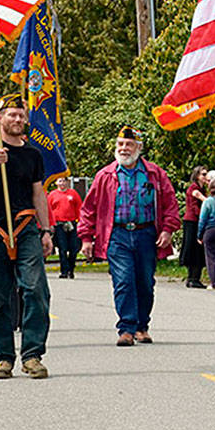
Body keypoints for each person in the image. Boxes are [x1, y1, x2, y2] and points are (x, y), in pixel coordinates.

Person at [0, 95, 53, 379]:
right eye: (12, 115)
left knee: (36, 290)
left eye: (21, 115)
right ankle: (3, 357)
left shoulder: (33, 154)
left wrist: (46, 230)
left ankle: (32, 355)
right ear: (0, 117)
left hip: (26, 227)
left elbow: (38, 194)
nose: (17, 120)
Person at [78, 125, 180, 346]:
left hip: (146, 235)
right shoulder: (105, 175)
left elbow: (170, 203)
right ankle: (126, 328)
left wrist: (168, 229)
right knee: (123, 281)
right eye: (120, 144)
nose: (124, 148)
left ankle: (142, 327)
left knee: (145, 282)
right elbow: (89, 208)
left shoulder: (155, 174)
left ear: (139, 148)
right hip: (117, 235)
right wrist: (86, 237)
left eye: (129, 144)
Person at [48, 177, 83, 279]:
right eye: (60, 181)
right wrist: (50, 224)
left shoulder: (73, 193)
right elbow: (49, 210)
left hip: (71, 223)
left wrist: (80, 222)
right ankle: (64, 271)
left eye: (64, 181)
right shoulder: (52, 195)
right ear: (56, 183)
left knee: (73, 248)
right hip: (59, 224)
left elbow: (79, 208)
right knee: (62, 248)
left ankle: (71, 269)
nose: (62, 183)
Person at [181, 165, 208, 288]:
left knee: (198, 249)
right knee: (194, 248)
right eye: (203, 174)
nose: (205, 176)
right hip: (192, 221)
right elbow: (204, 202)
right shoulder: (194, 189)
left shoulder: (202, 189)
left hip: (197, 221)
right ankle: (192, 277)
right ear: (197, 176)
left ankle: (194, 277)